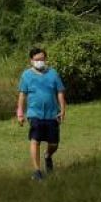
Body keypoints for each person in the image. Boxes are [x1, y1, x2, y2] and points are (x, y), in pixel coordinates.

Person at [16, 47, 66, 181]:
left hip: (52, 114)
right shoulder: (26, 75)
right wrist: (20, 113)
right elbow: (22, 95)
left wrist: (62, 109)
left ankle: (48, 156)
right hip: (34, 113)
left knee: (54, 144)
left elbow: (60, 92)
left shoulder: (53, 73)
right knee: (35, 140)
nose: (40, 62)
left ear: (45, 59)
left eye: (42, 59)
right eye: (37, 60)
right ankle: (37, 171)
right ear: (31, 60)